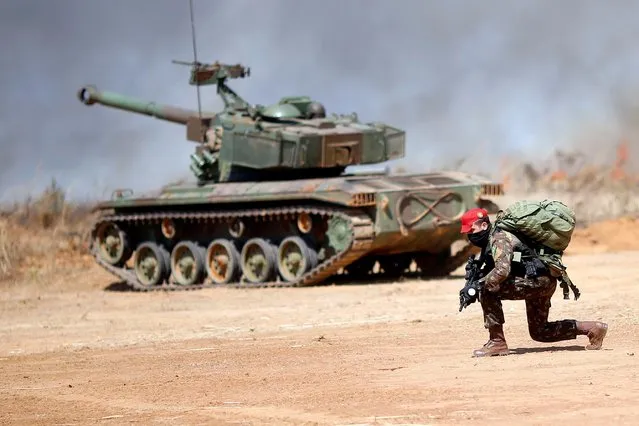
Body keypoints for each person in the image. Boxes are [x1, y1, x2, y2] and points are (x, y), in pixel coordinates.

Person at [459, 207, 608, 357]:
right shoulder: (491, 240)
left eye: (471, 230)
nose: (470, 236)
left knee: (487, 290)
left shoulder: (499, 238)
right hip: (541, 280)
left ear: (484, 225)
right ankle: (593, 328)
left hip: (536, 281)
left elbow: (501, 271)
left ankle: (497, 342)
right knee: (540, 332)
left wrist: (477, 286)